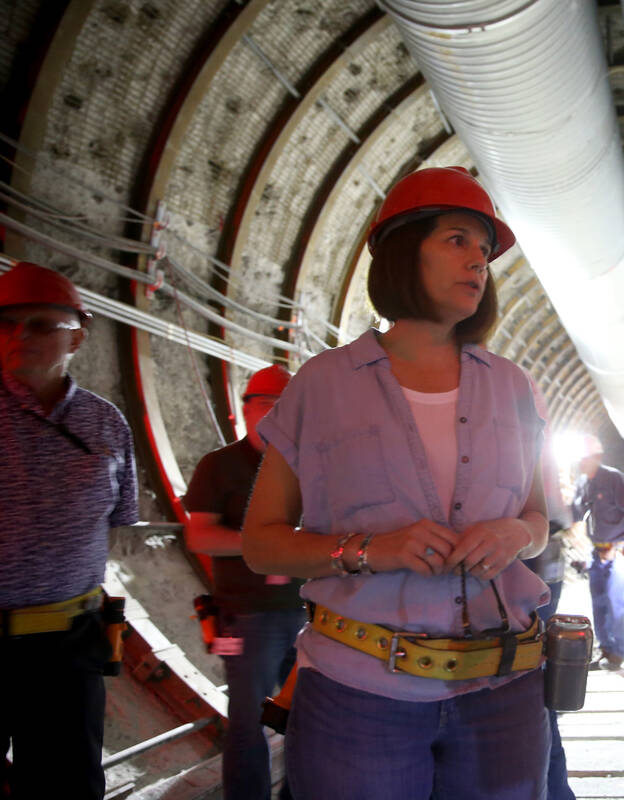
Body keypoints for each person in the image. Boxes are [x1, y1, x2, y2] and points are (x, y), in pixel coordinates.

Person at [241, 166, 551, 800]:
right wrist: (370, 550)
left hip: (503, 692)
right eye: (458, 240)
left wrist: (516, 532)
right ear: (404, 249)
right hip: (360, 694)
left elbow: (541, 521)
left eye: (485, 251)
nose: (478, 262)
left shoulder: (513, 385)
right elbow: (262, 543)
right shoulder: (323, 385)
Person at [0, 261, 138, 799]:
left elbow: (120, 518)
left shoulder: (107, 425)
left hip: (69, 648)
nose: (19, 336)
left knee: (68, 786)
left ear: (77, 336)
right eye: (6, 323)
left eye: (39, 324)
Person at [184, 364, 305, 800]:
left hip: (309, 615)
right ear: (246, 409)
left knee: (309, 719)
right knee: (249, 720)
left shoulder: (308, 469)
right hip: (248, 618)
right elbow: (199, 534)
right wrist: (262, 544)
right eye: (267, 405)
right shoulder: (220, 466)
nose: (276, 416)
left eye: (287, 408)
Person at [520, 378, 576, 800]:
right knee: (536, 691)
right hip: (541, 550)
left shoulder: (504, 384)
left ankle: (553, 791)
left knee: (530, 687)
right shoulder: (511, 381)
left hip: (527, 557)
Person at [570, 436, 624, 670]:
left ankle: (621, 649)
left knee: (615, 601)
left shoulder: (613, 478)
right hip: (596, 552)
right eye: (579, 458)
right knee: (598, 602)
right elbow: (576, 516)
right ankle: (606, 648)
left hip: (617, 549)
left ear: (597, 457)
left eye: (585, 458)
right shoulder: (581, 484)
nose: (581, 462)